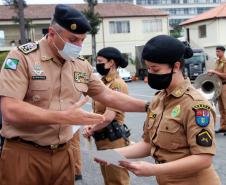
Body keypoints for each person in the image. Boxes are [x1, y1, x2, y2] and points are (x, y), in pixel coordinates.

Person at [0, 4, 147, 185]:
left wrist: (149, 106)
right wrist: (63, 117)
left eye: (82, 40)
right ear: (53, 34)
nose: (78, 46)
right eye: (73, 39)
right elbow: (11, 110)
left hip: (64, 154)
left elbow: (108, 95)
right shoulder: (22, 58)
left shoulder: (80, 64)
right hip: (25, 154)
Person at [96, 35, 221, 185]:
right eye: (148, 68)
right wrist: (112, 155)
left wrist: (154, 170)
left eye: (155, 69)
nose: (150, 74)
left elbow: (203, 159)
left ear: (175, 66)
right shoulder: (159, 99)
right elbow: (147, 144)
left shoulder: (195, 105)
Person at [83, 47, 131, 185]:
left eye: (100, 61)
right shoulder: (103, 83)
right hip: (103, 138)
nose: (97, 64)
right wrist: (89, 124)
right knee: (109, 180)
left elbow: (109, 116)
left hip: (113, 139)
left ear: (111, 63)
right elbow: (97, 113)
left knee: (117, 180)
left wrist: (91, 129)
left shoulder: (117, 84)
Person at [208, 46, 226, 134]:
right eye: (216, 51)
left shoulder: (225, 62)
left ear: (223, 52)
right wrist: (211, 73)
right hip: (218, 86)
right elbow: (217, 73)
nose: (217, 53)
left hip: (225, 85)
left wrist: (215, 72)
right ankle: (223, 127)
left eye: (218, 51)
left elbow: (225, 75)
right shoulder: (217, 62)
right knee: (221, 108)